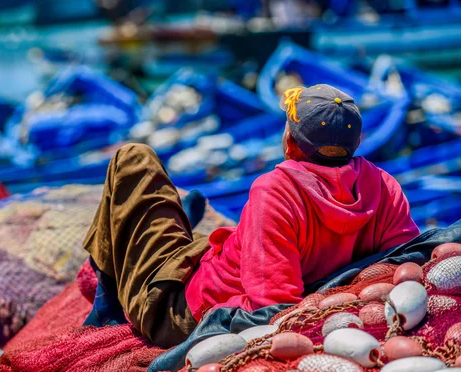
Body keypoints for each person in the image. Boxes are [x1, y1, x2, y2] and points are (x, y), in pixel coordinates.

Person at [82, 84, 419, 348]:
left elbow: (272, 305)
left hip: (177, 309)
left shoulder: (275, 192)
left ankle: (108, 298)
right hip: (214, 262)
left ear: (288, 142)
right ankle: (181, 227)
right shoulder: (384, 185)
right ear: (359, 141)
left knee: (132, 159)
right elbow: (401, 259)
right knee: (196, 238)